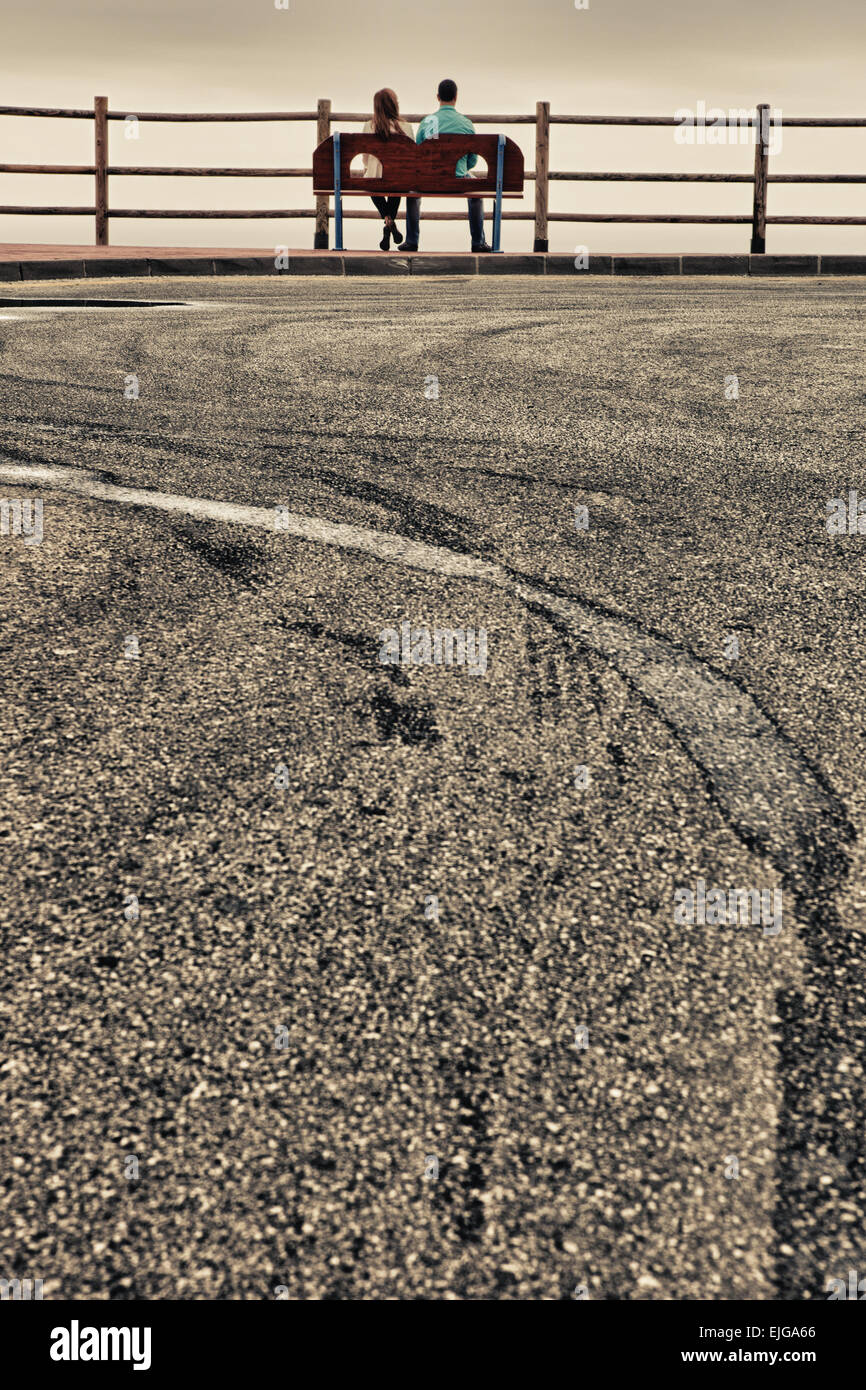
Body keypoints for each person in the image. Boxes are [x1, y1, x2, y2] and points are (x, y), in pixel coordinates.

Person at [398, 79, 492, 254]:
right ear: (456, 97)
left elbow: (418, 155)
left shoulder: (428, 122)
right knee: (476, 194)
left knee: (412, 193)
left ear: (438, 97)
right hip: (459, 181)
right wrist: (462, 169)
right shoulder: (466, 123)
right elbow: (472, 161)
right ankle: (478, 242)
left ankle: (411, 241)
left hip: (429, 180)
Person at [361, 89, 414, 251]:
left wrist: (367, 168)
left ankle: (388, 221)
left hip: (374, 178)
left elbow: (364, 156)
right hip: (398, 179)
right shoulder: (405, 126)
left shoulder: (369, 126)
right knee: (396, 187)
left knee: (370, 184)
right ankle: (390, 223)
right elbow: (412, 155)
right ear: (394, 105)